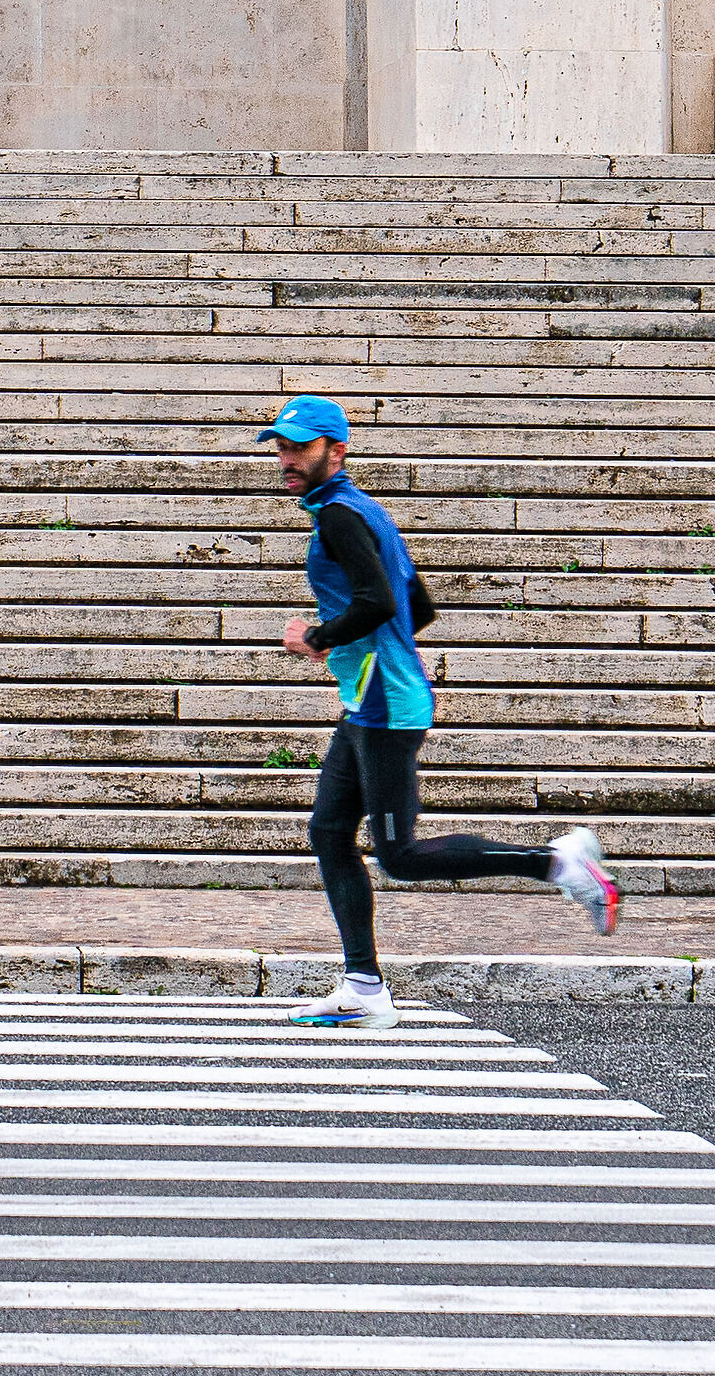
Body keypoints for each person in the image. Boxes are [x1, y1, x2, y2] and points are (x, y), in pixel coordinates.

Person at [261, 393, 619, 1031]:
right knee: (329, 834)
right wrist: (369, 650)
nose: (287, 460)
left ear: (335, 451)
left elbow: (374, 602)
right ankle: (364, 986)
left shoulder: (341, 518)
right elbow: (417, 607)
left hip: (384, 706)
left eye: (300, 448)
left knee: (399, 855)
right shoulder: (363, 512)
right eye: (281, 448)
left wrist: (316, 638)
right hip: (371, 699)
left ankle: (559, 862)